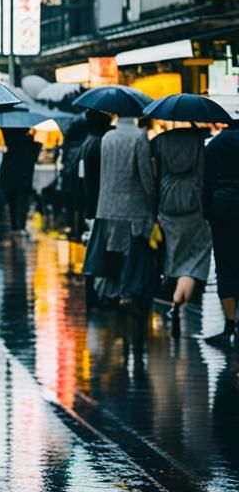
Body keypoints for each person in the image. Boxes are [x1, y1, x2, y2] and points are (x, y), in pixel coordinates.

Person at [83, 116, 157, 307]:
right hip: (132, 205)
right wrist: (152, 198)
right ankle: (125, 291)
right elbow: (145, 173)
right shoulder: (139, 137)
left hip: (107, 204)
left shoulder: (107, 137)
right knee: (129, 251)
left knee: (110, 249)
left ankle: (108, 291)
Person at [153, 125, 212, 332]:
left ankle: (171, 294)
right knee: (194, 257)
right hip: (192, 200)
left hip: (168, 200)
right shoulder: (198, 141)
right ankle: (180, 300)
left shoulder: (160, 141)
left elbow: (156, 173)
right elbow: (203, 171)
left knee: (173, 253)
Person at [202, 121, 239, 346]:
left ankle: (229, 325)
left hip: (223, 209)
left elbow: (205, 183)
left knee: (225, 266)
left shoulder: (216, 145)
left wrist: (208, 212)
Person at [0, 127, 41, 233]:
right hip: (23, 175)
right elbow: (35, 154)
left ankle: (15, 226)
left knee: (12, 201)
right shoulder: (29, 141)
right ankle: (21, 226)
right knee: (22, 201)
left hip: (10, 174)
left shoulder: (8, 134)